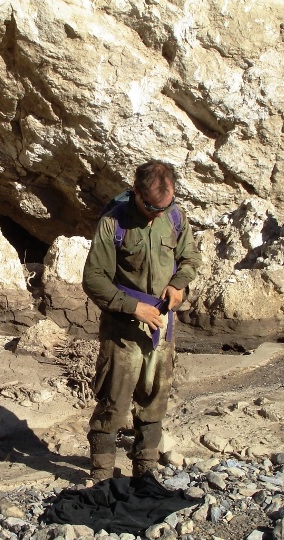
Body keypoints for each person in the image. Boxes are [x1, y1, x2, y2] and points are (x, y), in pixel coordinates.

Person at [82, 160, 201, 482]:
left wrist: (178, 286)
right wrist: (133, 307)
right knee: (113, 403)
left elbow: (190, 259)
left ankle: (145, 466)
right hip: (123, 329)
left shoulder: (175, 216)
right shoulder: (113, 223)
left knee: (155, 400)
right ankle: (102, 473)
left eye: (166, 206)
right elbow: (94, 278)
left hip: (162, 328)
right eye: (151, 207)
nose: (159, 214)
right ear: (136, 193)